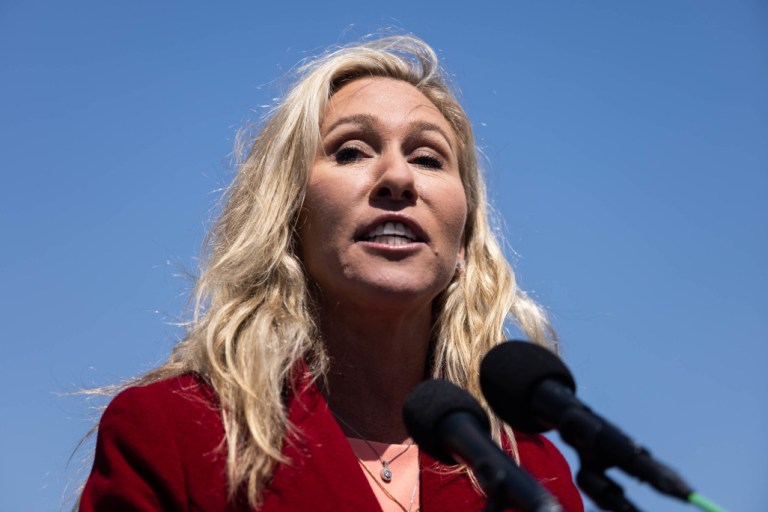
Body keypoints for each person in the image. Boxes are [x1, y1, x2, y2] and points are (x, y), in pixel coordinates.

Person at [79, 35, 584, 512]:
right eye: (351, 151)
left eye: (428, 158)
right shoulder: (174, 429)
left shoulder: (533, 474)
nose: (399, 178)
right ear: (288, 216)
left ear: (464, 242)